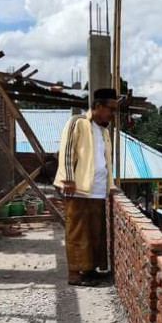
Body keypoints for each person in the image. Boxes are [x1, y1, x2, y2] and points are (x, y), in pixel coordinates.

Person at [54, 88, 118, 286]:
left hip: (97, 190)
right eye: (110, 109)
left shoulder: (104, 131)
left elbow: (106, 162)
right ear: (98, 106)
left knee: (95, 232)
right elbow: (66, 151)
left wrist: (111, 185)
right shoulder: (78, 122)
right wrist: (68, 179)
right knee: (78, 231)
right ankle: (74, 275)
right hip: (78, 188)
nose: (112, 114)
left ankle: (89, 270)